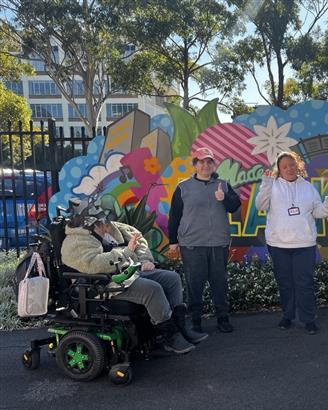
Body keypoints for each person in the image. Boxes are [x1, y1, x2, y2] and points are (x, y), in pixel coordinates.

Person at [61, 201, 207, 355]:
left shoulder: (110, 226)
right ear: (89, 223)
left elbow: (137, 238)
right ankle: (169, 335)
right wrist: (126, 252)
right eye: (100, 221)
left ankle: (180, 328)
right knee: (152, 290)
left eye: (103, 219)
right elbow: (92, 264)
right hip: (100, 285)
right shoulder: (76, 241)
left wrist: (144, 259)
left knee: (172, 279)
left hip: (126, 274)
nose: (105, 224)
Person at [256, 151, 328, 335]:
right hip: (278, 245)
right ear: (279, 169)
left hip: (304, 245)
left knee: (304, 283)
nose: (289, 169)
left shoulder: (308, 187)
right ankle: (288, 315)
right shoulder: (272, 185)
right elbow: (260, 206)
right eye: (284, 166)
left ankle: (308, 319)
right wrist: (266, 185)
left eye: (292, 165)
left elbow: (318, 212)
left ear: (297, 166)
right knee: (285, 283)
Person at [168, 147, 241, 334]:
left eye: (209, 161)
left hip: (218, 243)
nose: (205, 165)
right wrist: (173, 241)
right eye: (201, 161)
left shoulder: (223, 185)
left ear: (214, 164)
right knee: (195, 283)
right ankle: (195, 320)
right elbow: (175, 215)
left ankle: (223, 318)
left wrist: (224, 198)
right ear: (195, 165)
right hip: (192, 244)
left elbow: (234, 206)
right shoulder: (183, 187)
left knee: (219, 282)